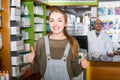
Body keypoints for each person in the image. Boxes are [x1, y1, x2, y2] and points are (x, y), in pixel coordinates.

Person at [27, 7, 88, 80]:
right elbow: (36, 70)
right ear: (48, 22)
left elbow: (75, 70)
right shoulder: (41, 42)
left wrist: (82, 65)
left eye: (59, 20)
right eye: (51, 21)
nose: (55, 24)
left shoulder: (73, 42)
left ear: (65, 23)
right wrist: (32, 61)